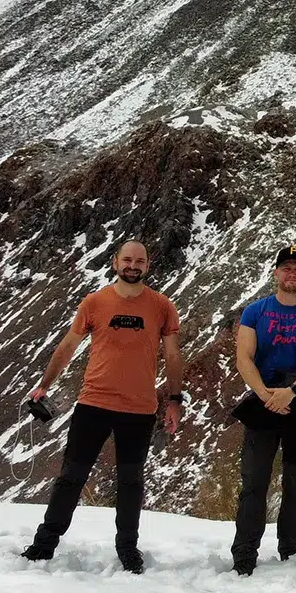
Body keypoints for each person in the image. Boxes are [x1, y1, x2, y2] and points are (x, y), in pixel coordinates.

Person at [22, 240, 183, 574]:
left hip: (139, 409)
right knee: (71, 476)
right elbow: (68, 345)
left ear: (148, 265)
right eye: (127, 259)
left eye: (139, 260)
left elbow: (172, 356)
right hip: (94, 402)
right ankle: (44, 543)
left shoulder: (163, 307)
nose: (133, 265)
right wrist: (44, 385)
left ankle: (127, 549)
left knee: (130, 481)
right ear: (115, 262)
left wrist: (175, 399)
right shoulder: (94, 303)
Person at [229, 244, 296, 575]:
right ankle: (245, 551)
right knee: (254, 480)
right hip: (263, 400)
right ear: (276, 273)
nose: (292, 274)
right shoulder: (254, 312)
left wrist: (290, 392)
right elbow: (243, 357)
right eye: (286, 268)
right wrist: (264, 394)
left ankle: (291, 549)